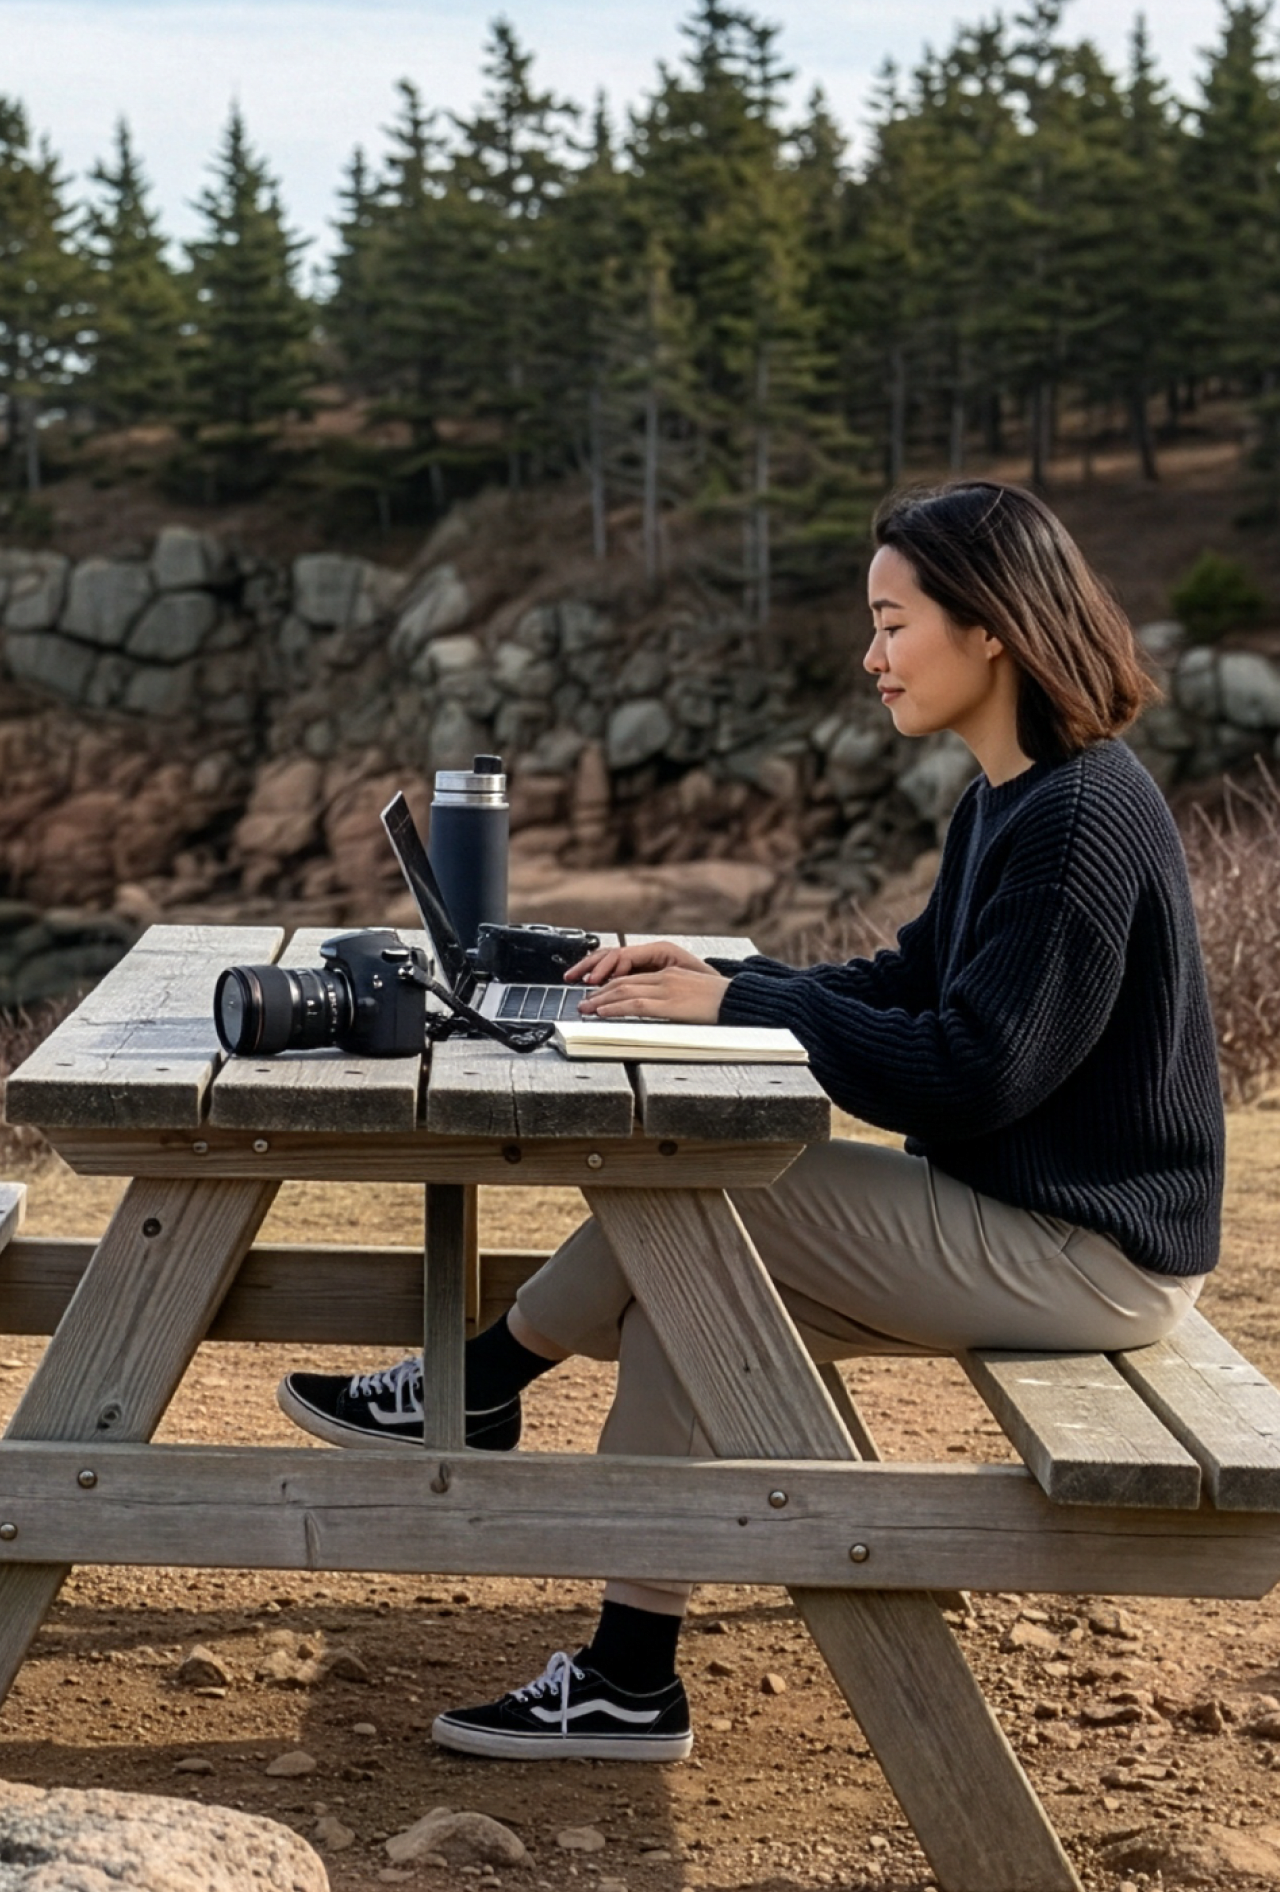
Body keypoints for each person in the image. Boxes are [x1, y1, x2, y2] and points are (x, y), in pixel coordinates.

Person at [276, 480, 1222, 1762]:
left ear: (989, 627)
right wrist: (737, 984)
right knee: (692, 1284)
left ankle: (481, 1381)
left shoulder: (1077, 818)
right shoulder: (1011, 796)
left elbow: (970, 1073)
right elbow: (903, 984)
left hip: (1092, 1253)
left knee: (704, 1192)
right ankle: (627, 1675)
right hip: (1028, 1224)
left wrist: (738, 1001)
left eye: (893, 622)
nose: (871, 655)